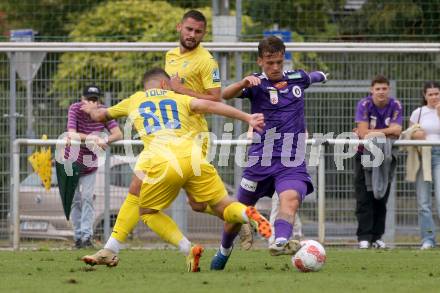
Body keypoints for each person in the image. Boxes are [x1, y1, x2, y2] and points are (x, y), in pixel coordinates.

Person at [80, 68, 271, 272]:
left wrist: (91, 110)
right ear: (164, 85)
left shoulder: (135, 99)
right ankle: (246, 213)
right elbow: (210, 105)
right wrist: (247, 118)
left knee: (146, 212)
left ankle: (187, 248)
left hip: (161, 159)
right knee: (222, 206)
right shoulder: (179, 98)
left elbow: (101, 116)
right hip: (194, 156)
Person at [81, 10, 222, 263]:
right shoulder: (170, 56)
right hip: (165, 138)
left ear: (204, 34)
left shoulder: (207, 61)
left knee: (193, 203)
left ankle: (234, 214)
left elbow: (215, 98)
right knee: (143, 191)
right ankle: (111, 249)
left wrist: (181, 89)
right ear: (179, 27)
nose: (192, 35)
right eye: (189, 29)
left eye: (198, 31)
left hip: (193, 136)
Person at [210, 36, 328, 270]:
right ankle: (224, 249)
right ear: (260, 61)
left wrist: (322, 76)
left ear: (283, 59)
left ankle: (280, 240)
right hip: (260, 161)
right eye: (269, 62)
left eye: (278, 62)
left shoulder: (296, 79)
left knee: (290, 200)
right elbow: (225, 95)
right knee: (234, 215)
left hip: (291, 160)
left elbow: (314, 77)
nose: (274, 67)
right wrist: (244, 82)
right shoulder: (256, 84)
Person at [66, 85, 123, 248]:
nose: (92, 103)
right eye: (88, 99)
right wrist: (93, 138)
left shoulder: (103, 111)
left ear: (99, 101)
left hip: (90, 163)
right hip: (71, 161)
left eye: (95, 99)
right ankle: (77, 238)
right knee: (74, 200)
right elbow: (71, 134)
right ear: (82, 99)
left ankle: (86, 237)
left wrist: (105, 140)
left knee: (87, 198)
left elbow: (118, 134)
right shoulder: (75, 109)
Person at [353, 75, 403, 249]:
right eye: (378, 89)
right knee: (364, 197)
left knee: (381, 196)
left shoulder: (395, 105)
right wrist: (386, 132)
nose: (381, 92)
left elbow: (398, 130)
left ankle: (377, 237)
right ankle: (364, 237)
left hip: (386, 156)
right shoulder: (364, 104)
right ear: (371, 90)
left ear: (388, 89)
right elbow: (362, 133)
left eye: (384, 88)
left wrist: (374, 132)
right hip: (364, 154)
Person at [406, 81, 440, 250]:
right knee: (423, 202)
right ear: (425, 95)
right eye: (431, 94)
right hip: (423, 157)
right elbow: (408, 134)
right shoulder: (418, 113)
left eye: (437, 93)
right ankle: (428, 239)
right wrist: (415, 134)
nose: (434, 97)